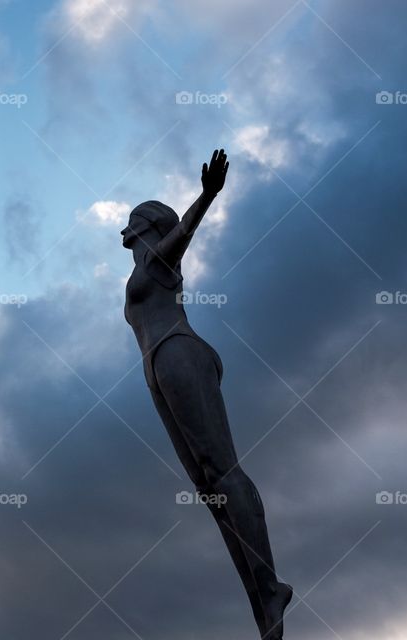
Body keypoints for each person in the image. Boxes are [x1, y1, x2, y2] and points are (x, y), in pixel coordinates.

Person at [123, 149, 293, 638]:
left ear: (146, 227)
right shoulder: (143, 270)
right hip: (156, 367)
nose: (126, 232)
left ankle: (270, 584)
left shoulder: (158, 263)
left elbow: (181, 240)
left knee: (224, 471)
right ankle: (263, 601)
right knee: (207, 488)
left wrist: (207, 195)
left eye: (133, 223)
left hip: (181, 354)